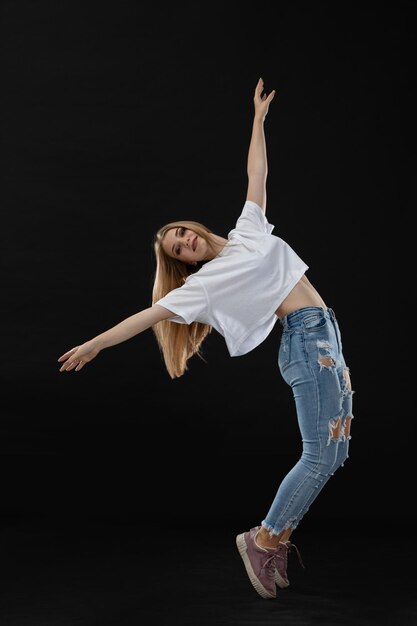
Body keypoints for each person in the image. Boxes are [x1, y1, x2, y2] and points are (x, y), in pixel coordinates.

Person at [57, 77, 354, 600]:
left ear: (193, 227)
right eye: (179, 248)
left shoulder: (246, 232)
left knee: (337, 452)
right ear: (183, 263)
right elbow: (147, 317)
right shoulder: (202, 287)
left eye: (184, 232)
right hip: (308, 343)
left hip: (326, 333)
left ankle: (275, 538)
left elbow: (255, 173)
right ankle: (263, 539)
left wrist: (258, 121)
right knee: (319, 455)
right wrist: (95, 344)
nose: (187, 241)